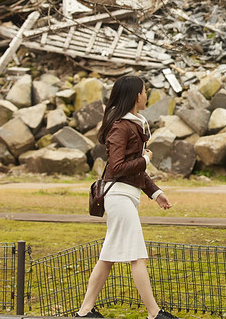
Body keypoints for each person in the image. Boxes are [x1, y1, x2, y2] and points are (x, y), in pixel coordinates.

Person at [76, 76, 178, 319]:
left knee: (108, 257)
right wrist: (145, 159)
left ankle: (84, 311)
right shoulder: (121, 126)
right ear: (136, 96)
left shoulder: (135, 124)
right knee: (137, 256)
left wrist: (156, 193)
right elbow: (118, 166)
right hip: (119, 197)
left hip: (125, 195)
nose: (146, 94)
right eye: (145, 91)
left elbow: (136, 172)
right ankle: (154, 314)